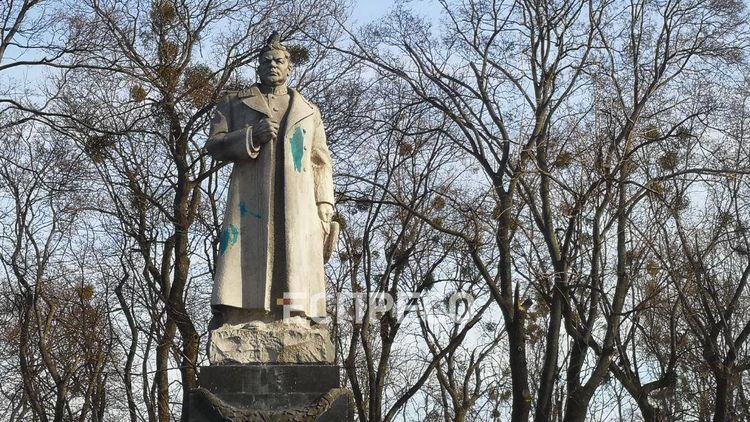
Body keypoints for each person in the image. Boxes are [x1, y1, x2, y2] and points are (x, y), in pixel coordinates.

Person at [206, 32, 335, 326]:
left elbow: (320, 160)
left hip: (298, 199)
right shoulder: (234, 103)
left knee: (293, 253)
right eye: (266, 61)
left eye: (278, 61)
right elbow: (214, 145)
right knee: (248, 250)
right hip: (251, 197)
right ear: (258, 66)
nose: (272, 65)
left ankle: (295, 313)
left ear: (290, 67)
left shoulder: (308, 111)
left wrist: (324, 204)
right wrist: (251, 136)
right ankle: (244, 313)